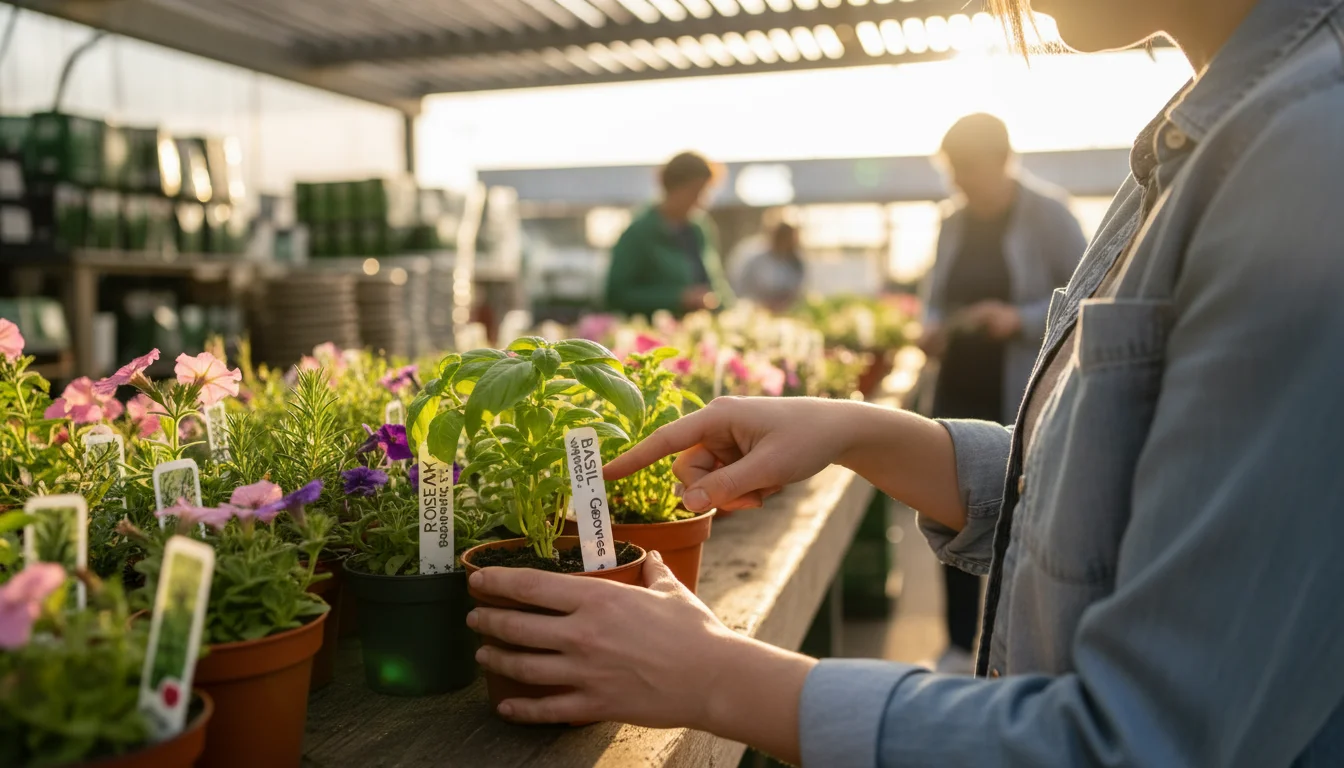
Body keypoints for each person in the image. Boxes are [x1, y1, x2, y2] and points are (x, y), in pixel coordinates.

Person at [464, 0, 1344, 764]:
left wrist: (717, 676)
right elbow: (1115, 486)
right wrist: (861, 431)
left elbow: (1144, 742)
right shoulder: (1201, 138)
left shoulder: (1304, 160)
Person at [920, 114, 1087, 673]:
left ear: (1001, 160)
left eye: (970, 169)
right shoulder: (953, 221)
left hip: (1022, 387)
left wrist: (1014, 318)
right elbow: (936, 294)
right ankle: (955, 640)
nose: (962, 182)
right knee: (949, 504)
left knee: (1023, 509)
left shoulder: (1049, 213)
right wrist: (934, 325)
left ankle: (1017, 647)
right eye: (955, 172)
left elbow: (1091, 297)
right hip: (958, 382)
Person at [603, 151, 734, 318]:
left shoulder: (699, 228)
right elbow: (616, 295)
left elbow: (716, 283)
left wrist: (726, 307)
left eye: (704, 192)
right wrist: (676, 298)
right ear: (672, 188)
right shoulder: (638, 233)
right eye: (695, 192)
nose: (701, 201)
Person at [733, 222, 808, 313]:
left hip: (785, 311)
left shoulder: (796, 262)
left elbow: (798, 289)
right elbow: (741, 286)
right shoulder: (754, 256)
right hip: (755, 309)